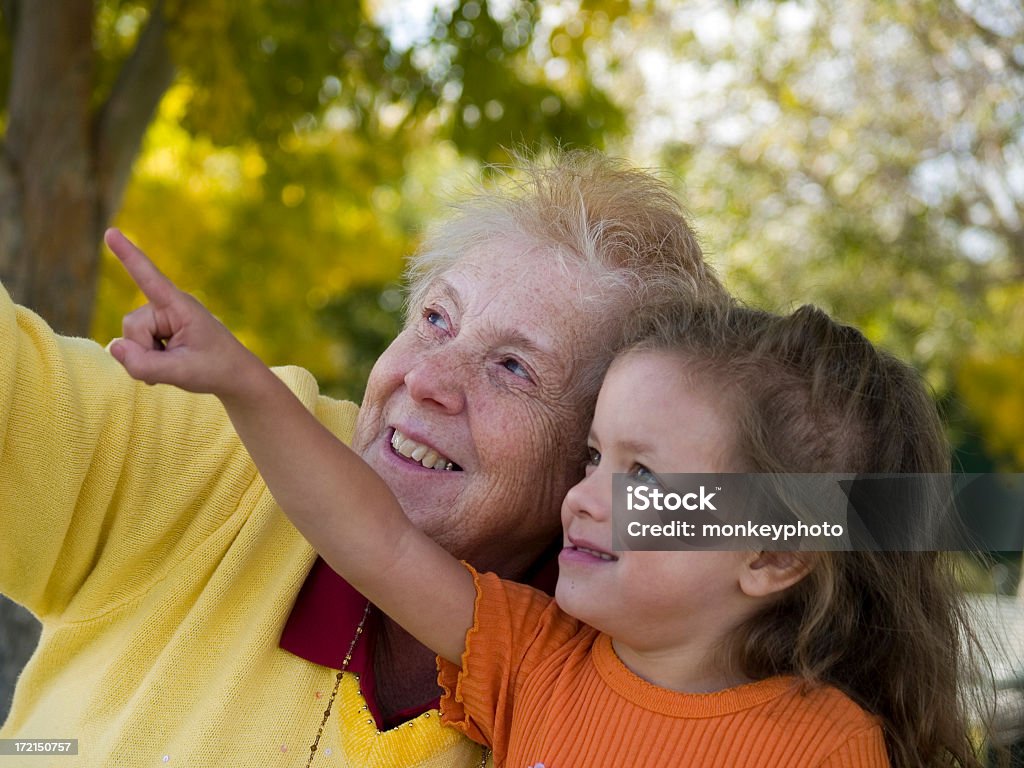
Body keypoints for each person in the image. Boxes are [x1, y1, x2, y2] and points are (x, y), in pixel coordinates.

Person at [106, 231, 983, 768]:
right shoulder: (535, 659)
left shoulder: (820, 747)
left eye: (642, 479)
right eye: (594, 456)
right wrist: (240, 381)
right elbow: (374, 540)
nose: (584, 498)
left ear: (772, 551)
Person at [0, 151, 723, 766]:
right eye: (435, 319)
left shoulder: (620, 659)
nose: (427, 380)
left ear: (592, 454)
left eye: (513, 368)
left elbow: (825, 513)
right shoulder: (224, 440)